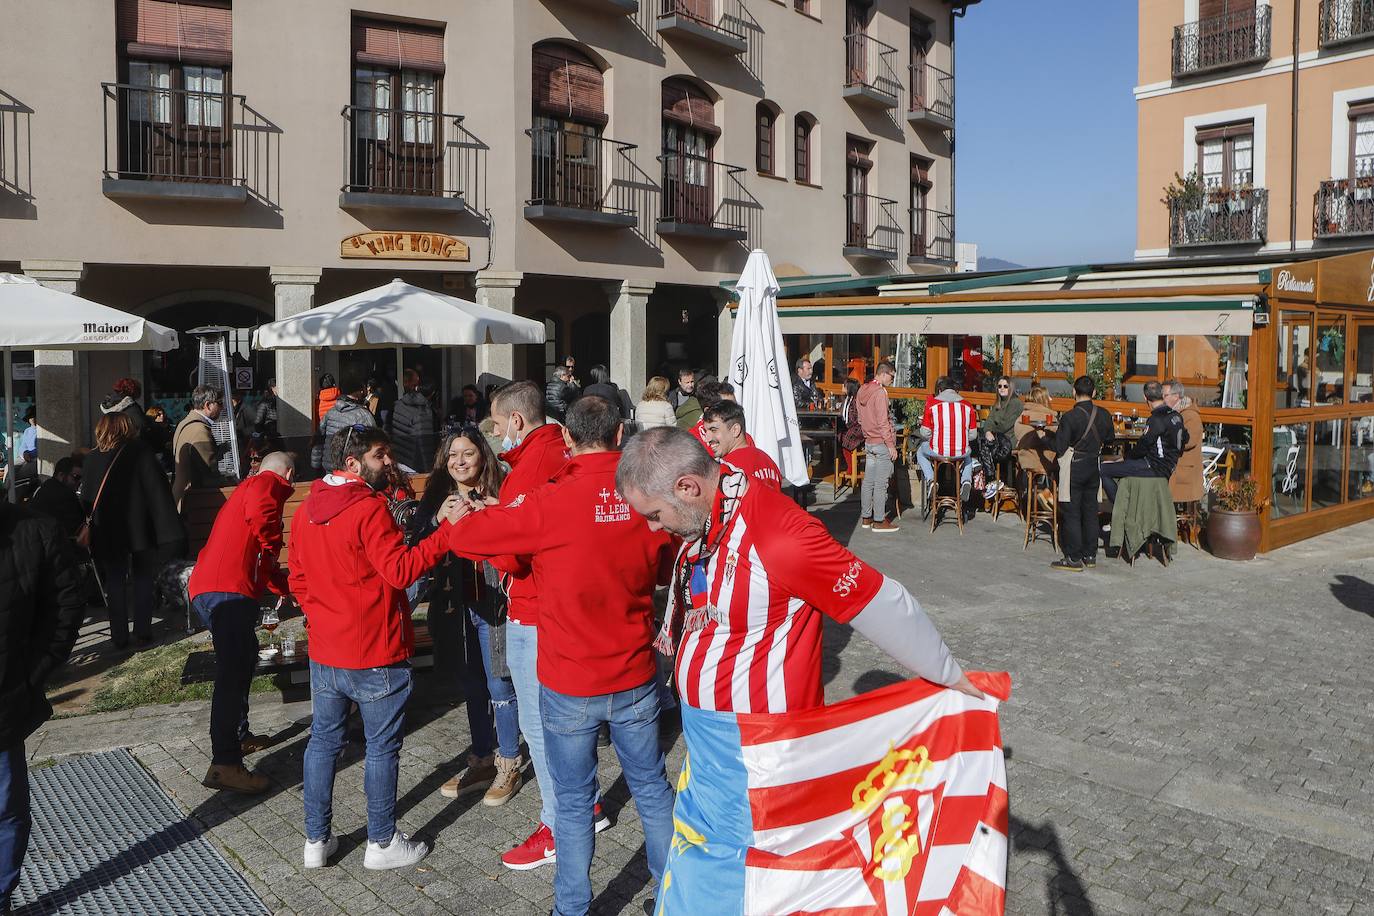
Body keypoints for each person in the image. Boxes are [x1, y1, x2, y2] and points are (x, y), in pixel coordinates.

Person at [615, 428, 983, 912]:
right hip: (714, 747)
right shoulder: (711, 513)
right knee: (706, 863)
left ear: (687, 487)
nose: (652, 529)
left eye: (654, 515)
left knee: (754, 881)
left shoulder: (777, 533)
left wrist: (951, 678)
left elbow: (880, 602)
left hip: (763, 755)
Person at [444, 396, 676, 916]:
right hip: (635, 672)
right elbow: (666, 568)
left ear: (567, 439)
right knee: (652, 790)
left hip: (569, 679)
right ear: (620, 434)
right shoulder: (644, 495)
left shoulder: (551, 500)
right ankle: (672, 897)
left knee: (573, 803)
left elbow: (476, 539)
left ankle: (572, 908)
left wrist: (460, 517)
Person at [288, 426, 455, 871]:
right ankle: (381, 842)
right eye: (381, 455)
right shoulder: (367, 510)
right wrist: (443, 534)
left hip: (327, 649)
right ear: (352, 464)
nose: (390, 462)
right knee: (381, 748)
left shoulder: (307, 510)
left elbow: (297, 579)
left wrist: (321, 617)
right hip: (375, 649)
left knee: (323, 742)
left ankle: (315, 840)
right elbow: (401, 571)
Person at [481, 381, 610, 871]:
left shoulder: (529, 468)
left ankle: (558, 824)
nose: (496, 434)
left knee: (540, 727)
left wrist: (485, 529)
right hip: (567, 605)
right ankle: (585, 807)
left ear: (516, 420)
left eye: (496, 424)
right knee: (560, 725)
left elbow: (515, 555)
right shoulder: (561, 451)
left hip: (533, 609)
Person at [407, 428, 522, 807]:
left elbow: (522, 534)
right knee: (471, 683)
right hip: (454, 604)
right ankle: (482, 759)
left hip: (494, 601)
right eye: (453, 454)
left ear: (482, 456)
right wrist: (438, 518)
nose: (459, 461)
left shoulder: (501, 486)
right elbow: (414, 540)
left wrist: (495, 512)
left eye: (468, 453)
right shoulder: (440, 492)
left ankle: (509, 761)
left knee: (499, 682)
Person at [188, 452, 296, 794]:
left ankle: (239, 736)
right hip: (227, 590)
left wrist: (288, 590)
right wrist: (275, 542)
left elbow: (263, 562)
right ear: (289, 474)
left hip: (214, 588)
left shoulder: (250, 488)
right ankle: (225, 763)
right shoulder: (266, 484)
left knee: (244, 655)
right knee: (232, 672)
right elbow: (264, 529)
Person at [0, 499, 85, 915]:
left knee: (6, 811)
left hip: (6, 701)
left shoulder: (37, 530)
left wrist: (32, 676)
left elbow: (65, 609)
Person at [82, 412, 186, 648]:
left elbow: (87, 498)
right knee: (142, 578)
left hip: (107, 530)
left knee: (115, 581)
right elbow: (157, 492)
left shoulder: (92, 459)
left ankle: (118, 635)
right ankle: (142, 630)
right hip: (139, 528)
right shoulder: (141, 453)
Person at [1051, 376, 1114, 572]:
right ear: (1094, 393)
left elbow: (1060, 447)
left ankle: (1074, 557)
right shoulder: (1104, 414)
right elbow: (1110, 439)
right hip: (1093, 465)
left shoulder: (1069, 417)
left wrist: (1046, 437)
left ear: (1073, 392)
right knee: (1090, 511)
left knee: (1071, 512)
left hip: (1074, 465)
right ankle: (1090, 554)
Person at [1100, 380, 1188, 503]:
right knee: (1116, 467)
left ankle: (1121, 508)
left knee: (1102, 469)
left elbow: (1143, 447)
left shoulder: (1156, 418)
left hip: (1154, 467)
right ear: (1162, 395)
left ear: (1145, 397)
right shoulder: (1176, 416)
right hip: (1169, 466)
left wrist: (1124, 458)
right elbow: (1185, 438)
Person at [917, 374, 977, 506]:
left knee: (920, 451)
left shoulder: (932, 405)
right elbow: (973, 435)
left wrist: (936, 435)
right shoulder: (968, 406)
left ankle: (931, 481)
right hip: (959, 453)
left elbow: (924, 432)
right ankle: (966, 481)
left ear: (939, 390)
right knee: (967, 454)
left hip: (939, 452)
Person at [856, 361, 900, 531]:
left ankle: (866, 518)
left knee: (868, 482)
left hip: (869, 442)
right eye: (891, 376)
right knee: (881, 484)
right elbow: (883, 421)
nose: (892, 380)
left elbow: (860, 419)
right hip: (881, 443)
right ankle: (880, 520)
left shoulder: (862, 390)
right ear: (883, 373)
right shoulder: (880, 393)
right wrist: (891, 445)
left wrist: (868, 433)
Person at [172, 384, 229, 509]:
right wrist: (233, 482)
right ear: (208, 405)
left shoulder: (185, 422)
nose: (222, 407)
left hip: (184, 498)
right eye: (219, 403)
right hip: (195, 504)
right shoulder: (200, 430)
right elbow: (209, 476)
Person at [702, 401, 781, 491]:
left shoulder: (726, 468)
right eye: (706, 431)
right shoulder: (768, 461)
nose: (707, 439)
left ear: (735, 430)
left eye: (713, 430)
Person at [975, 375, 1024, 499]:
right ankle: (992, 481)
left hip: (1009, 440)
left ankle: (991, 480)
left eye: (1005, 386)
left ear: (1011, 387)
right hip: (998, 439)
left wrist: (991, 430)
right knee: (981, 442)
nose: (1002, 389)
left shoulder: (1015, 403)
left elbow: (1005, 425)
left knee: (983, 445)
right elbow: (989, 422)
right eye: (999, 386)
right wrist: (987, 431)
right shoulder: (997, 403)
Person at [388, 370, 439, 473]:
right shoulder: (423, 410)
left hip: (398, 460)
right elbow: (425, 441)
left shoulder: (397, 404)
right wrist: (429, 470)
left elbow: (387, 431)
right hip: (415, 464)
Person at [1164, 379, 1204, 505]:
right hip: (1173, 469)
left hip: (1184, 474)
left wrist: (1165, 438)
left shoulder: (1191, 416)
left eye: (1164, 395)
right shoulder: (1174, 414)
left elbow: (1189, 441)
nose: (1162, 399)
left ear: (1176, 396)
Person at [27, 455, 84, 538]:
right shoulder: (66, 495)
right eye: (76, 477)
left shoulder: (46, 486)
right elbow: (77, 525)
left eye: (81, 478)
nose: (79, 482)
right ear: (61, 475)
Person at [318, 374, 377, 445]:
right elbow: (374, 442)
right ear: (358, 391)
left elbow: (319, 438)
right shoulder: (363, 415)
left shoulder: (329, 412)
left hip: (329, 454)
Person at [837, 377, 863, 476]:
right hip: (850, 426)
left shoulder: (855, 400)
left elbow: (854, 418)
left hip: (858, 427)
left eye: (844, 385)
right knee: (839, 435)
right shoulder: (846, 399)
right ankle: (847, 464)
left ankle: (852, 468)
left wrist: (846, 426)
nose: (841, 386)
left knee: (846, 439)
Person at [144, 405, 173, 472]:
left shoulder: (166, 425)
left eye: (162, 414)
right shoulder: (151, 428)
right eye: (158, 414)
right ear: (153, 415)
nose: (161, 416)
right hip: (158, 455)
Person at [254, 378, 280, 445]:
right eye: (277, 387)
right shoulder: (265, 402)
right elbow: (258, 422)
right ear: (272, 388)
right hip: (270, 436)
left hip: (278, 435)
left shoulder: (279, 401)